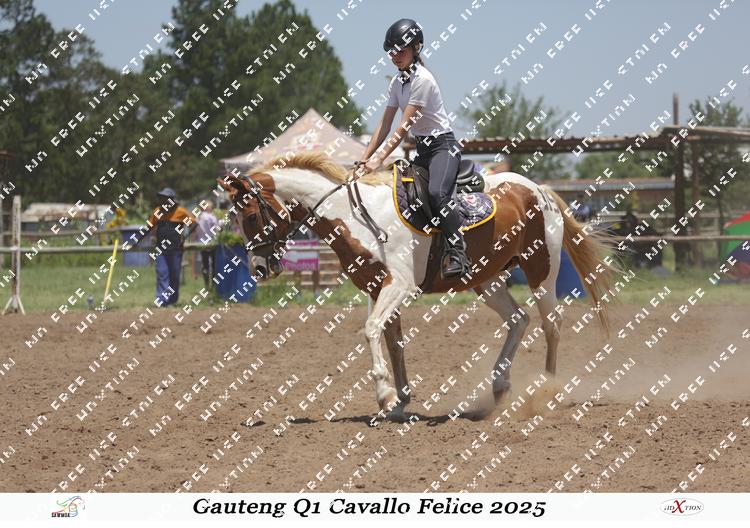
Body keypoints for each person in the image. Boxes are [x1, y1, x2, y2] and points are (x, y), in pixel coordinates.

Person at [358, 18, 470, 279]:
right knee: (399, 191)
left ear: (416, 48)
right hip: (423, 150)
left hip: (443, 147)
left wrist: (379, 159)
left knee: (437, 194)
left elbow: (402, 127)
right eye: (392, 51)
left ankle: (459, 253)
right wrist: (364, 159)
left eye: (401, 50)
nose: (395, 56)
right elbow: (384, 125)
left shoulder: (423, 80)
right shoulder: (396, 83)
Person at [144, 187, 196, 306]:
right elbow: (149, 227)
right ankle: (161, 300)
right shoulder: (158, 211)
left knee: (174, 275)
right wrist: (136, 241)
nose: (162, 201)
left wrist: (184, 237)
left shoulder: (180, 212)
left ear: (172, 200)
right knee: (162, 273)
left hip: (176, 249)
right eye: (161, 198)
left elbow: (193, 224)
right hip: (160, 249)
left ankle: (172, 300)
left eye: (165, 198)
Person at [195, 201, 219, 290]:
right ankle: (213, 286)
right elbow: (216, 229)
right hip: (213, 243)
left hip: (202, 243)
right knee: (214, 266)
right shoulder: (212, 217)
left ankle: (206, 285)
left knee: (205, 265)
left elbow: (196, 231)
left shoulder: (198, 217)